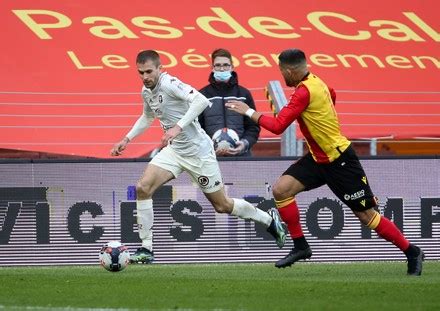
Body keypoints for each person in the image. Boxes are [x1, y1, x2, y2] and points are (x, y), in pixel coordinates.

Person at [226, 48, 425, 276]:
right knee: (281, 190)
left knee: (366, 216)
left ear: (290, 70)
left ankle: (412, 252)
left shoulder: (303, 92)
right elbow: (333, 94)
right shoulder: (317, 82)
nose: (282, 76)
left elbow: (278, 125)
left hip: (339, 160)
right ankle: (301, 246)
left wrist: (248, 111)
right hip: (318, 158)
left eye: (282, 71)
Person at [110, 50, 286, 263]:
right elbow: (147, 117)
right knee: (143, 188)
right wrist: (127, 139)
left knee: (222, 206)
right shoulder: (147, 91)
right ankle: (146, 249)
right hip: (175, 151)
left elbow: (202, 101)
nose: (145, 76)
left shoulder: (170, 83)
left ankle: (269, 220)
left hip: (199, 152)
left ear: (159, 68)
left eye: (149, 71)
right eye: (141, 72)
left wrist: (177, 127)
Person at [199, 48, 260, 157]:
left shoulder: (243, 94)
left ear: (232, 67)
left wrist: (245, 144)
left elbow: (253, 127)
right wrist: (209, 147)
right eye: (218, 65)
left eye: (226, 65)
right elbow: (197, 128)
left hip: (241, 156)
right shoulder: (202, 95)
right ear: (212, 68)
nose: (222, 69)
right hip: (210, 157)